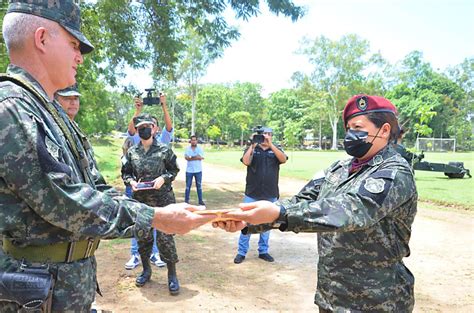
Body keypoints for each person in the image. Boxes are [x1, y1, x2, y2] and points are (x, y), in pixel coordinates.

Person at [0, 1, 213, 311]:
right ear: (42, 38)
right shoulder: (13, 110)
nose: (79, 59)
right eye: (73, 44)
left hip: (64, 286)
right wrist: (154, 217)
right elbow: (64, 201)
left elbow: (96, 186)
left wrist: (155, 212)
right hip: (36, 292)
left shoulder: (51, 113)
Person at [217, 95, 417, 312]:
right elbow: (301, 202)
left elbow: (351, 210)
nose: (351, 134)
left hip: (377, 301)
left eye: (358, 127)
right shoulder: (338, 168)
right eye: (348, 128)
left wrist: (278, 213)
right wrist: (248, 222)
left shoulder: (394, 172)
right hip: (331, 296)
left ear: (384, 130)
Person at [121, 114, 181, 293]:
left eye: (148, 126)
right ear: (137, 130)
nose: (144, 129)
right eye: (141, 127)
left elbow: (174, 169)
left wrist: (164, 178)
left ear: (155, 129)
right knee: (143, 238)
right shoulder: (132, 152)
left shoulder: (164, 149)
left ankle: (172, 274)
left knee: (165, 238)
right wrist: (131, 182)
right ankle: (146, 270)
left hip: (163, 201)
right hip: (142, 203)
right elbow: (126, 173)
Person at [233, 127, 287, 264]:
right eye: (264, 134)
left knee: (267, 224)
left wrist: (271, 145)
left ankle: (263, 251)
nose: (266, 136)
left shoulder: (276, 149)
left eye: (269, 134)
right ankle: (241, 252)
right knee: (246, 222)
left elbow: (283, 159)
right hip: (252, 193)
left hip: (270, 193)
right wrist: (252, 145)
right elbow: (246, 161)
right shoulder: (252, 147)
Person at [184, 135, 205, 205]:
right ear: (190, 141)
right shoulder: (187, 148)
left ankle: (200, 201)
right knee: (187, 187)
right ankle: (186, 201)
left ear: (197, 141)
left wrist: (191, 157)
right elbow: (186, 157)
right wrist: (195, 157)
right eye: (192, 140)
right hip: (189, 171)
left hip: (198, 170)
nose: (193, 141)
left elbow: (201, 157)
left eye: (195, 140)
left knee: (199, 186)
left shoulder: (200, 149)